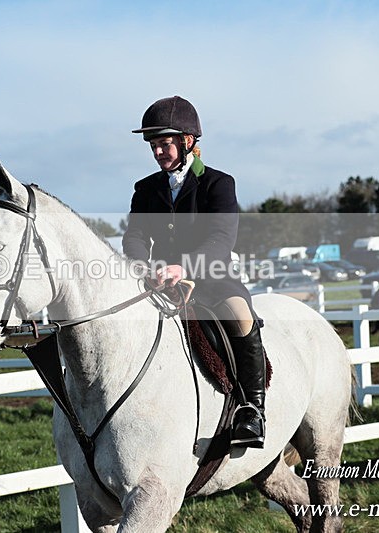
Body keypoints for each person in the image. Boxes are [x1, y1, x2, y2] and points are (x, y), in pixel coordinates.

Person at [122, 95, 266, 448]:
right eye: (153, 146)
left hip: (212, 279)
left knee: (241, 316)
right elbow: (135, 236)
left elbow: (221, 238)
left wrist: (183, 267)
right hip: (161, 284)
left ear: (187, 141)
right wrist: (145, 267)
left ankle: (252, 409)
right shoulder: (145, 189)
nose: (158, 152)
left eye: (165, 144)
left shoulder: (218, 184)